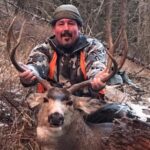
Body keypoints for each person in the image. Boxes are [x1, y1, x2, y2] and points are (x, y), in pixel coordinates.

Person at [19, 4, 109, 98]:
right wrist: (29, 73)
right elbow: (36, 67)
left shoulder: (93, 47)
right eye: (61, 24)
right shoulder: (43, 49)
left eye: (71, 23)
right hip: (52, 105)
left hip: (83, 105)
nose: (66, 28)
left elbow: (97, 67)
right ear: (54, 29)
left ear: (79, 27)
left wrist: (98, 78)